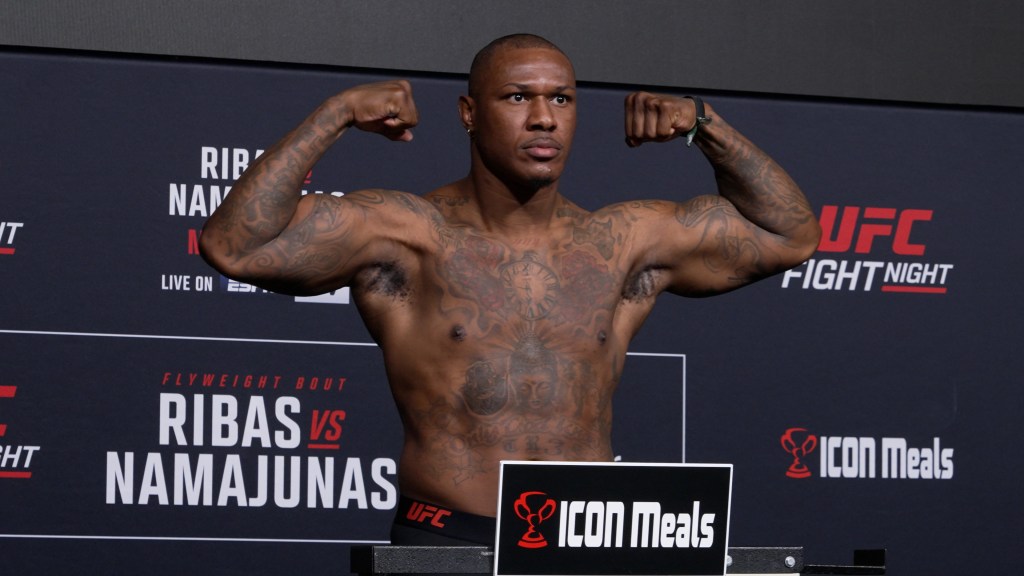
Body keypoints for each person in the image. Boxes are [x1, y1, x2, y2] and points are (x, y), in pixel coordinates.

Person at [200, 33, 821, 546]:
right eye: (518, 96)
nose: (544, 117)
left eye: (562, 99)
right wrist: (333, 115)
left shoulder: (620, 243)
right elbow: (234, 246)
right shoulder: (410, 234)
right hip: (451, 537)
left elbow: (790, 235)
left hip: (585, 539)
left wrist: (704, 125)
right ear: (469, 114)